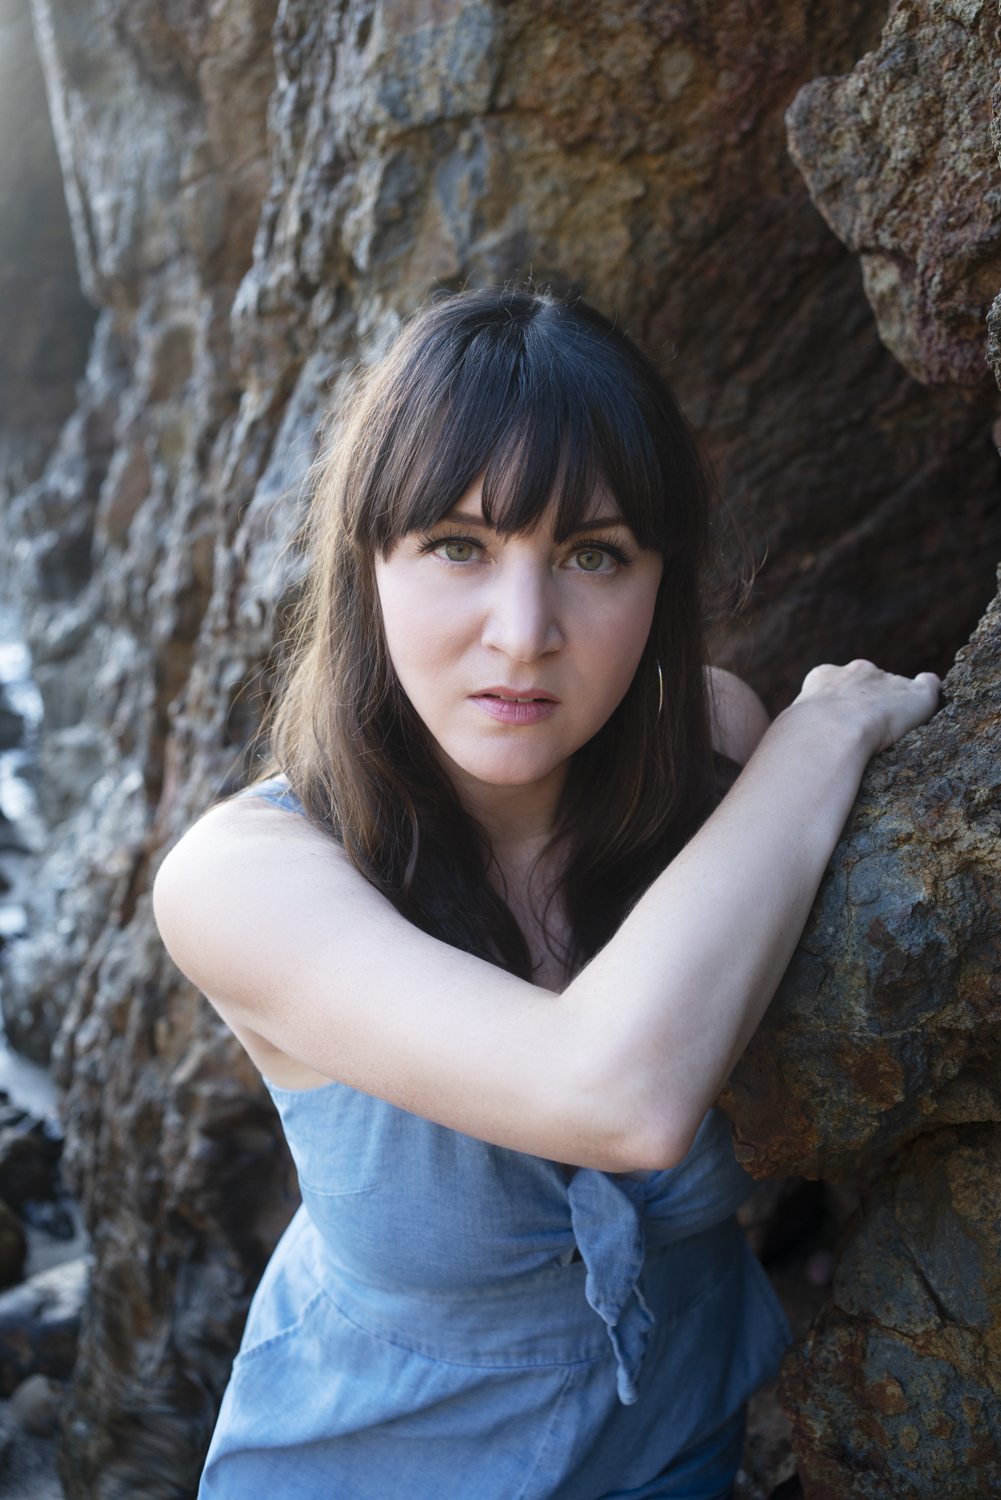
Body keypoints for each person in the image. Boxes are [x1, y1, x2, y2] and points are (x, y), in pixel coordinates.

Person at [153, 287, 940, 1500]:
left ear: (659, 581)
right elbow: (615, 1095)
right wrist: (817, 738)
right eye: (457, 546)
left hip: (681, 1451)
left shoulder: (710, 753)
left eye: (591, 555)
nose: (523, 635)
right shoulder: (241, 881)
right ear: (366, 564)